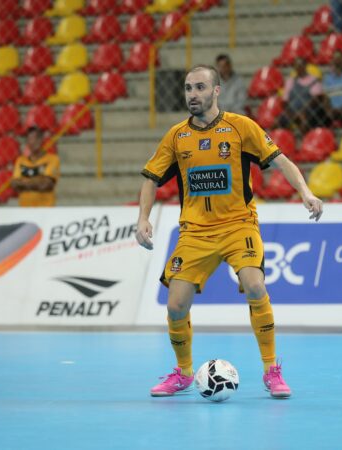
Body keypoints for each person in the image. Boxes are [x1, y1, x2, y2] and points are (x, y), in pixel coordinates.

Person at [136, 65, 323, 399]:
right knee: (176, 305)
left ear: (216, 91)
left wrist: (305, 192)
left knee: (254, 284)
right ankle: (182, 373)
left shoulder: (241, 128)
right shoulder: (177, 136)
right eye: (188, 88)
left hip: (239, 226)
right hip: (195, 233)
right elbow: (151, 177)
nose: (192, 94)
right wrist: (143, 218)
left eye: (199, 88)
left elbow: (280, 160)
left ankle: (271, 371)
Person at [10, 126, 60, 207]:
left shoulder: (52, 159)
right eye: (30, 139)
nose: (33, 141)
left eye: (37, 138)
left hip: (46, 209)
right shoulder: (21, 160)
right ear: (27, 142)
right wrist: (39, 180)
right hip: (25, 208)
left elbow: (47, 185)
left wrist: (24, 182)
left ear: (41, 140)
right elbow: (15, 184)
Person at [277, 57, 326, 134]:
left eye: (301, 65)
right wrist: (293, 113)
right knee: (277, 122)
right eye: (296, 65)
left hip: (308, 110)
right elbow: (285, 101)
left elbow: (316, 99)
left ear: (305, 66)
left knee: (305, 120)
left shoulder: (313, 80)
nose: (299, 67)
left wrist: (303, 112)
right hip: (292, 111)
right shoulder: (290, 81)